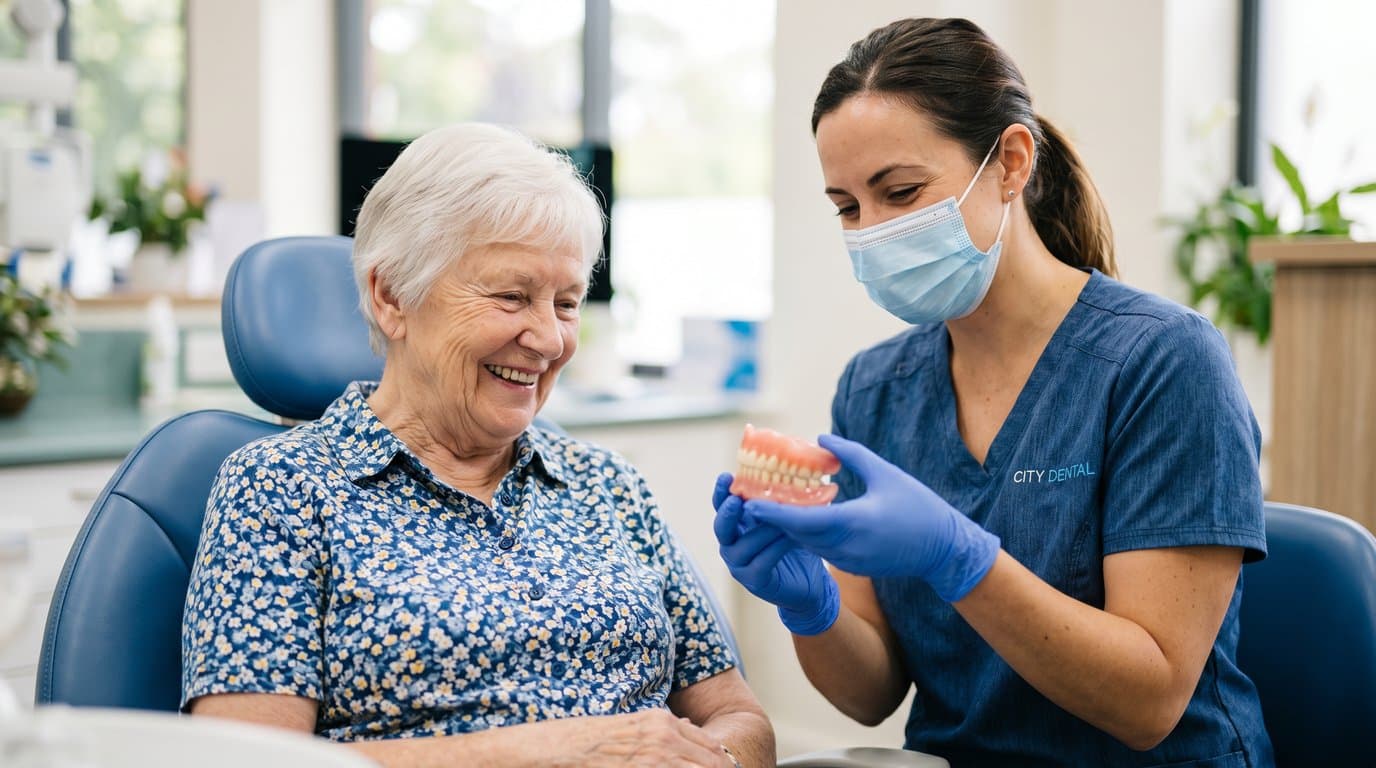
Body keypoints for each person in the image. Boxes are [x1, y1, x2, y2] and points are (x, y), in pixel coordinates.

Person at [713, 17, 1273, 767]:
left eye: (901, 191)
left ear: (1010, 162)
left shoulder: (1162, 362)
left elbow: (1150, 703)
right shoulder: (876, 389)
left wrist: (959, 556)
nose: (872, 232)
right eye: (847, 208)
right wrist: (807, 604)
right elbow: (873, 691)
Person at [182, 123, 772, 768]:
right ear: (391, 296)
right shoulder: (281, 488)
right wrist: (561, 750)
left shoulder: (606, 483)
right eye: (511, 296)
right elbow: (245, 759)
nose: (549, 339)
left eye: (567, 303)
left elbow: (739, 718)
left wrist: (714, 760)